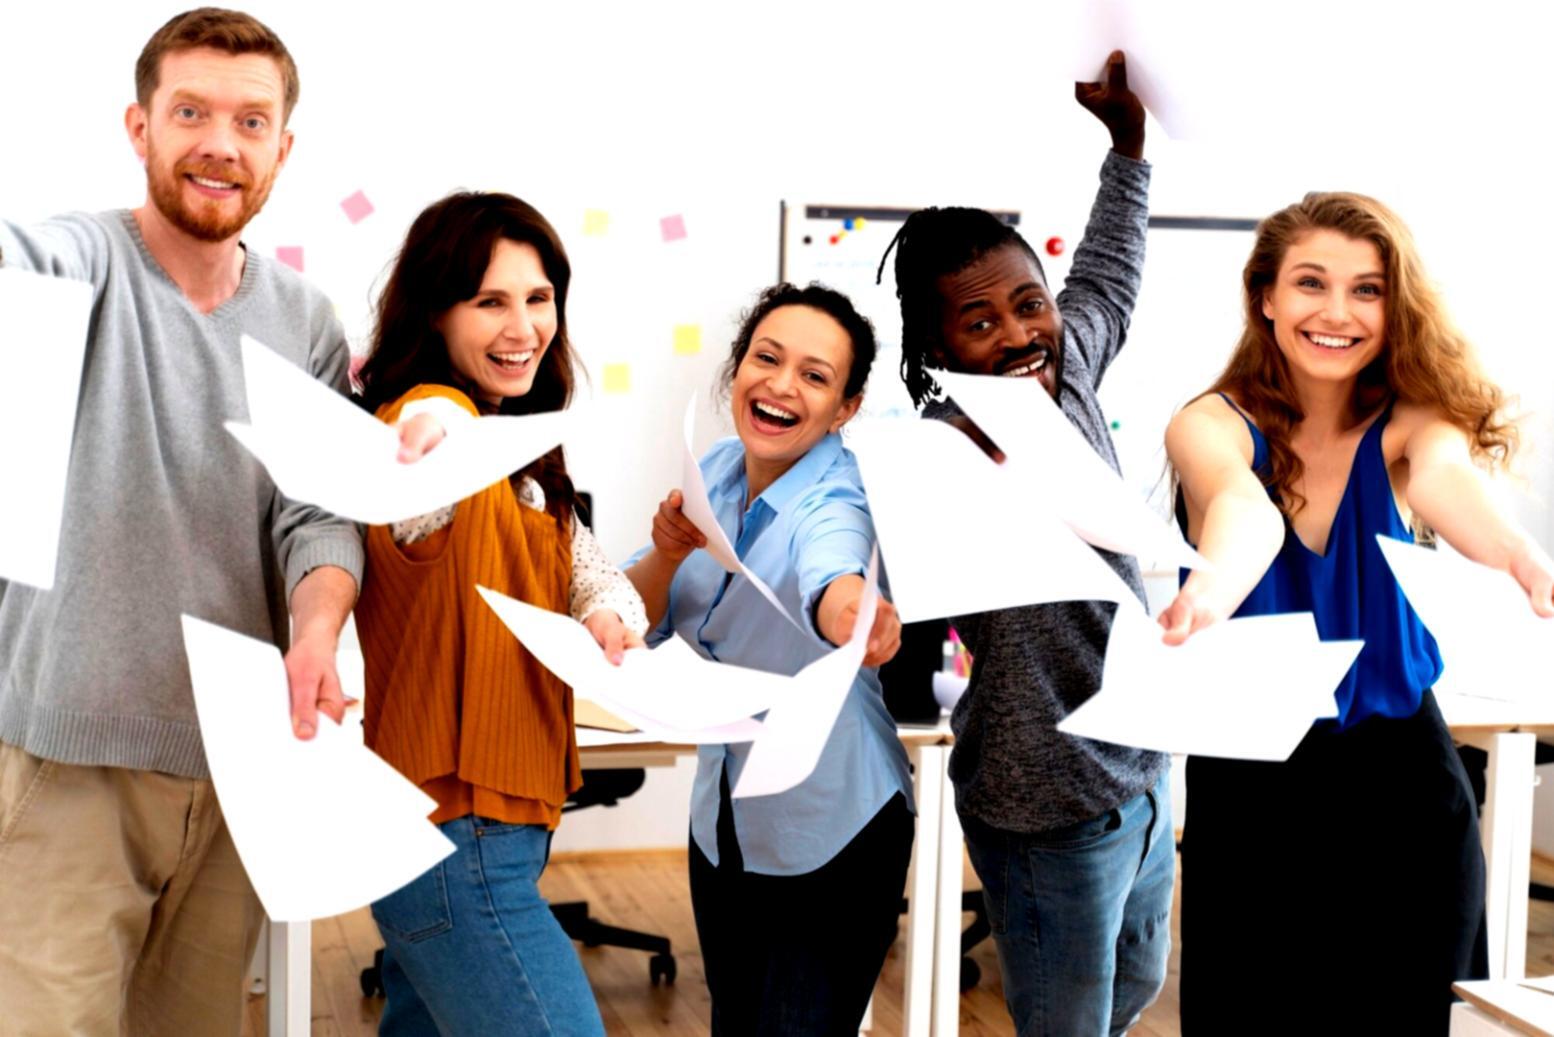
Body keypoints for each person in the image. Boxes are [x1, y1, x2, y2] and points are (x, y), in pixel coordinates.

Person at [0, 9, 363, 1035]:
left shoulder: (305, 318)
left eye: (251, 122)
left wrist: (317, 627)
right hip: (70, 762)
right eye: (190, 112)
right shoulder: (79, 260)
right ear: (140, 127)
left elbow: (317, 514)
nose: (220, 143)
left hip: (238, 764)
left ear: (282, 147)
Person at [1161, 190, 1554, 1033]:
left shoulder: (1413, 421)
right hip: (1255, 778)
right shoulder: (1208, 421)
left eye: (1367, 289)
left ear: (1393, 304)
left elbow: (1447, 482)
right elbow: (1242, 506)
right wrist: (1210, 591)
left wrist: (1521, 555)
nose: (1336, 312)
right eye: (1311, 283)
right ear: (1266, 296)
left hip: (1402, 779)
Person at [881, 51, 1172, 1035]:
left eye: (1027, 302)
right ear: (937, 351)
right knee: (1065, 1020)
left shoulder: (1070, 368)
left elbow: (1109, 274)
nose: (1017, 333)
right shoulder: (939, 456)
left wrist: (1128, 145)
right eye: (979, 321)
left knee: (1135, 988)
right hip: (1046, 803)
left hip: (1144, 771)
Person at [353, 190, 645, 1036]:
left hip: (485, 836)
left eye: (538, 297)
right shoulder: (423, 437)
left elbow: (592, 572)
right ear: (434, 313)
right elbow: (427, 429)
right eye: (490, 302)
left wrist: (608, 616)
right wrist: (440, 419)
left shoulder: (526, 459)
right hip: (457, 842)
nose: (523, 327)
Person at [624, 282, 913, 1035]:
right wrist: (666, 552)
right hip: (724, 818)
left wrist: (855, 617)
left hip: (832, 826)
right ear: (737, 367)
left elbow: (833, 570)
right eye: (767, 358)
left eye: (815, 376)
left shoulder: (838, 494)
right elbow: (629, 619)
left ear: (845, 408)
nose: (781, 385)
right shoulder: (717, 470)